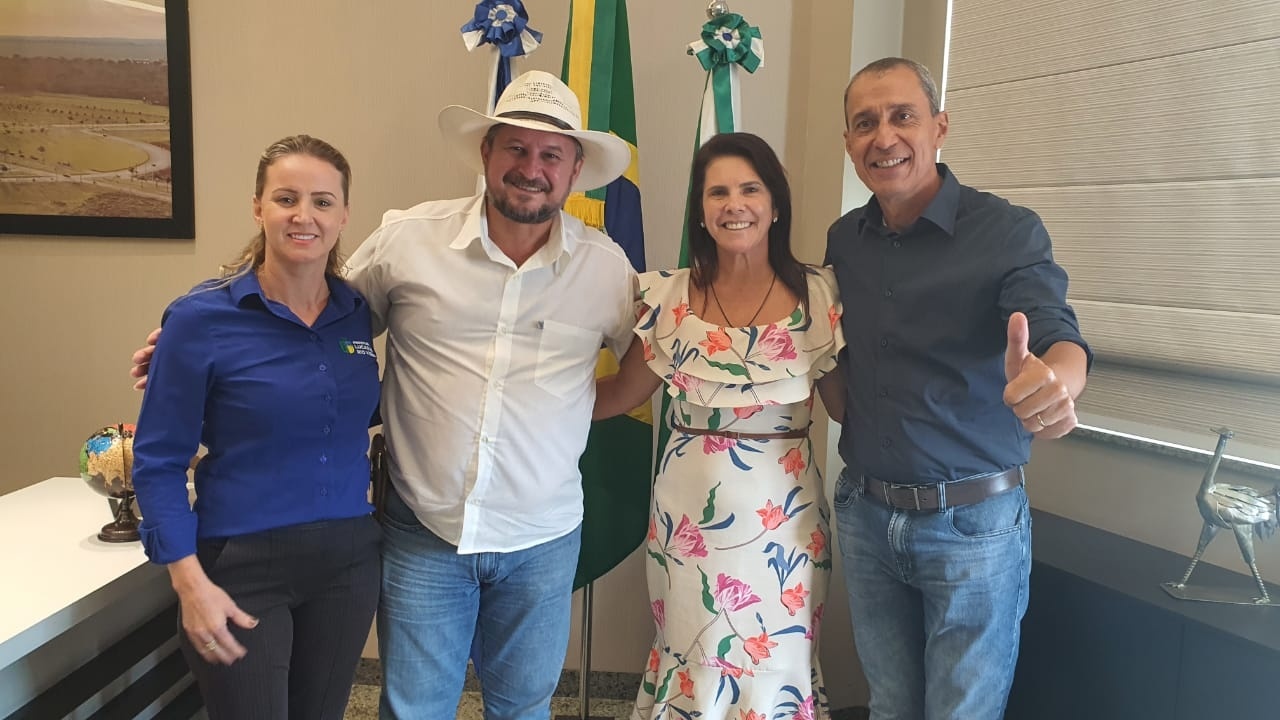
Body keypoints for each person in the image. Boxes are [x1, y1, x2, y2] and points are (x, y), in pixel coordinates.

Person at [348, 70, 636, 719]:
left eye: (551, 154)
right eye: (516, 148)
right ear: (485, 152)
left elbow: (645, 359)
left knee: (523, 710)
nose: (531, 169)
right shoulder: (407, 241)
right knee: (414, 710)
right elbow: (322, 325)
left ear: (574, 170)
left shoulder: (605, 269)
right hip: (423, 530)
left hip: (542, 540)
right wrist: (210, 329)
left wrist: (576, 408)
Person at [825, 57, 1092, 720]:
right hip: (866, 514)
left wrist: (1057, 382)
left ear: (939, 127)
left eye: (903, 116)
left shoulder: (1006, 232)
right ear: (850, 142)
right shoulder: (844, 240)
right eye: (865, 123)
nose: (884, 136)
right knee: (890, 705)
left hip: (972, 528)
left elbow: (1056, 336)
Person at [594, 132, 846, 720]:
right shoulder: (667, 298)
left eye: (750, 189)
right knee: (695, 662)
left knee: (776, 667)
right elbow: (621, 394)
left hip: (786, 531)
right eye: (718, 193)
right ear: (701, 211)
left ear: (776, 203)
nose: (735, 205)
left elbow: (847, 408)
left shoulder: (820, 296)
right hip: (687, 531)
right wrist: (524, 397)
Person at [130, 135, 382, 720]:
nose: (304, 216)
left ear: (344, 215)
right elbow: (158, 461)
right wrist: (189, 584)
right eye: (286, 198)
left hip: (347, 563)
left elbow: (344, 413)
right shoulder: (201, 318)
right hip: (241, 565)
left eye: (322, 202)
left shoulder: (355, 313)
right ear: (258, 207)